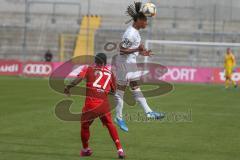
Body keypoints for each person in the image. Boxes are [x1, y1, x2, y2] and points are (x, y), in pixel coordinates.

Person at [114, 2, 165, 132]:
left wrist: (142, 52)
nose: (146, 23)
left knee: (135, 87)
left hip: (130, 63)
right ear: (139, 21)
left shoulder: (135, 32)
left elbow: (131, 49)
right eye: (145, 21)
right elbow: (122, 50)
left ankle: (148, 112)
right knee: (121, 91)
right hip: (124, 64)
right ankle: (119, 118)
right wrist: (137, 48)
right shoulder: (130, 33)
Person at [64, 53, 125, 159]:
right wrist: (104, 91)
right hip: (104, 105)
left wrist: (68, 87)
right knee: (110, 125)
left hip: (91, 105)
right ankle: (120, 150)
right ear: (105, 62)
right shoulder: (110, 73)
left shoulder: (88, 69)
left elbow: (78, 79)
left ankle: (86, 149)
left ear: (95, 61)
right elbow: (113, 91)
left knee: (85, 125)